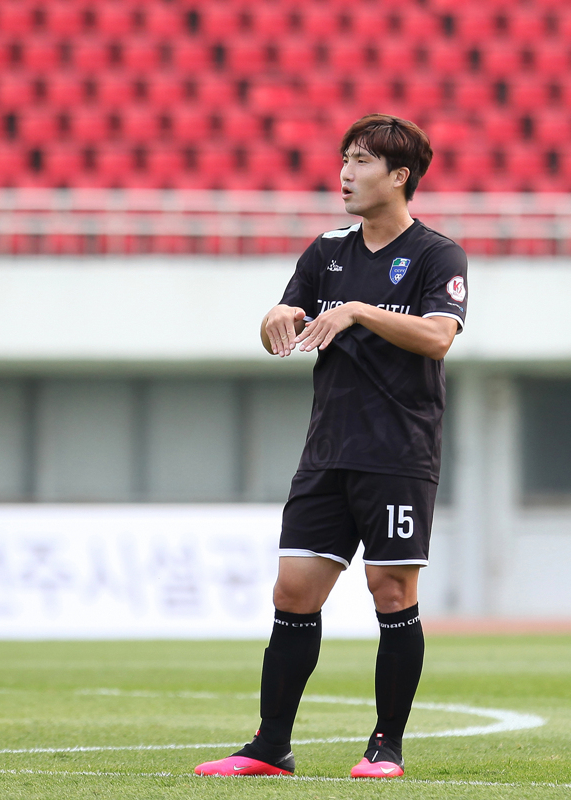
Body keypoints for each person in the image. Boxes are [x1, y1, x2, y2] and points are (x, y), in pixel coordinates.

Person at [195, 113, 468, 780]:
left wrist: (356, 311)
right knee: (293, 590)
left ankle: (385, 748)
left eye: (361, 161)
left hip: (398, 452)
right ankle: (270, 747)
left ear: (399, 176)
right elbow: (285, 325)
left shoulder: (436, 255)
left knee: (391, 589)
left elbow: (439, 337)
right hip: (327, 450)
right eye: (344, 159)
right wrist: (275, 318)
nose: (345, 173)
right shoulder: (326, 251)